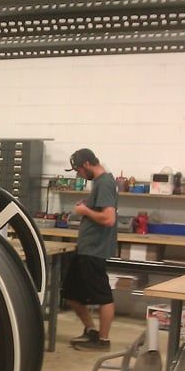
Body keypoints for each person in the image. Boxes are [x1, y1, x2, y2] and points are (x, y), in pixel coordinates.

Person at [61, 148, 118, 351]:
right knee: (70, 293)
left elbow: (109, 219)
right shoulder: (99, 183)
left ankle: (103, 340)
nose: (79, 175)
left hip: (95, 250)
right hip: (86, 249)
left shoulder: (105, 183)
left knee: (103, 296)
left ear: (86, 165)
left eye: (78, 170)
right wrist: (88, 208)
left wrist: (84, 211)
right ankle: (91, 331)